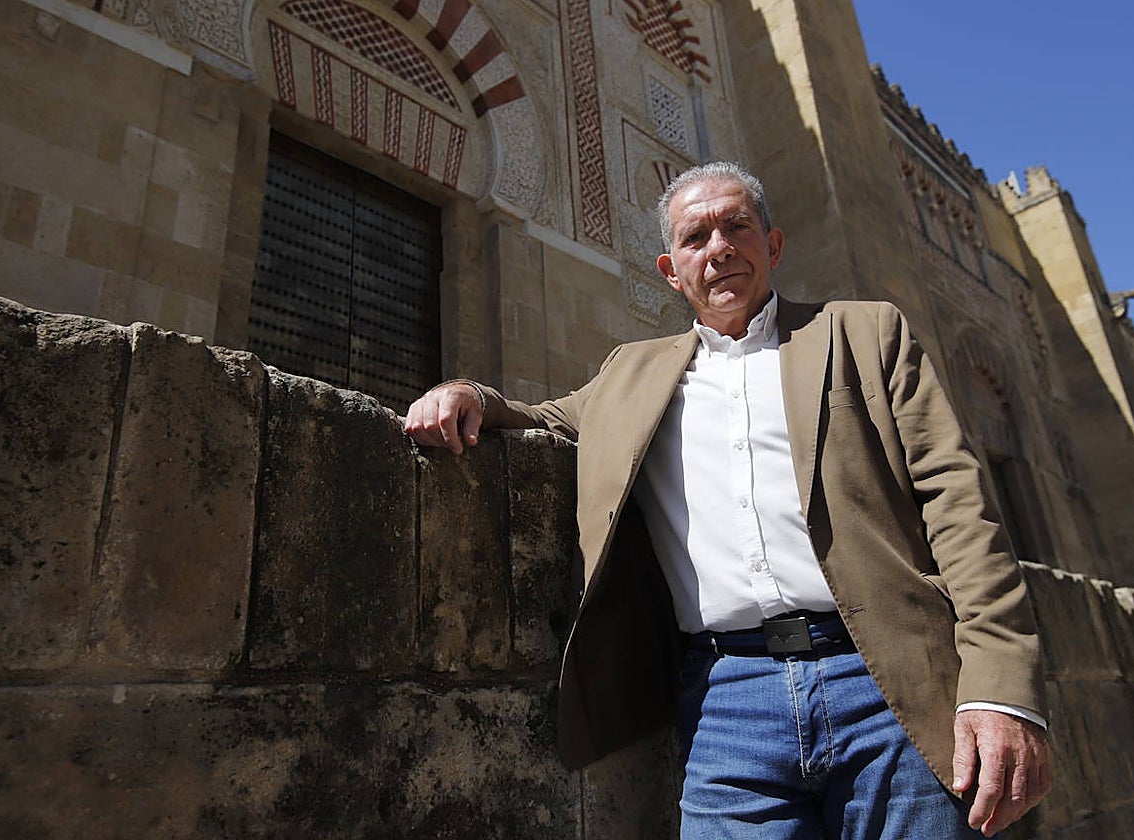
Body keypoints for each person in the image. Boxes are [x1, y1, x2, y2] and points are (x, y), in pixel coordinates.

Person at [404, 162, 1051, 838]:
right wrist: (471, 396)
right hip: (727, 701)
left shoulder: (865, 333)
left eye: (737, 227)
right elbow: (550, 420)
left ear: (771, 245)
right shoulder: (633, 372)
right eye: (696, 237)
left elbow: (959, 507)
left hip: (885, 680)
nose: (719, 248)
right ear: (671, 269)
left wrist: (1002, 690)